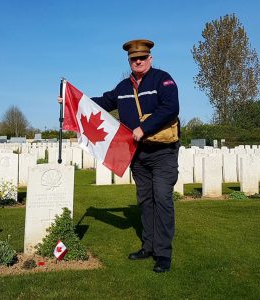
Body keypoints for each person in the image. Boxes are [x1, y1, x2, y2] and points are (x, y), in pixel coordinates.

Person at [59, 39, 180, 272]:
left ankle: (163, 254)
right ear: (129, 61)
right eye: (134, 59)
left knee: (162, 199)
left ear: (150, 59)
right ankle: (148, 246)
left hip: (163, 151)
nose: (138, 61)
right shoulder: (123, 87)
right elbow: (102, 103)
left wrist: (145, 128)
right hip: (137, 154)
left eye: (142, 58)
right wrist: (70, 103)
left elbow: (171, 108)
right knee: (145, 201)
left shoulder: (163, 79)